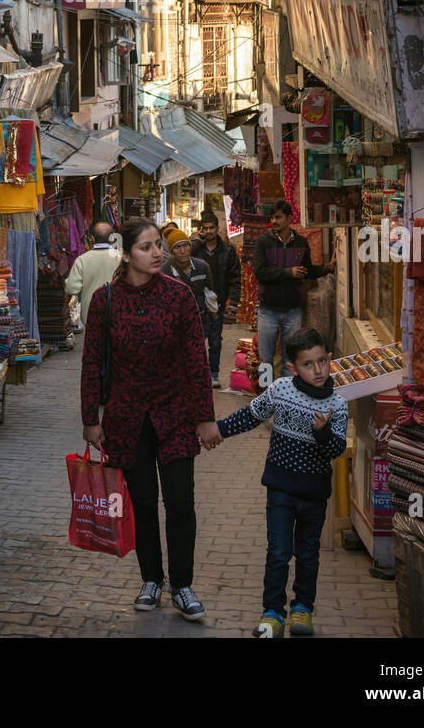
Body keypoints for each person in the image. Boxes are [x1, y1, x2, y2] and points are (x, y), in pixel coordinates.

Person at [80, 219, 222, 621]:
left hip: (175, 414)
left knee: (180, 502)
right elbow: (92, 363)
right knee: (141, 504)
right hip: (126, 419)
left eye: (158, 245)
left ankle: (182, 585)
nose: (157, 252)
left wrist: (205, 418)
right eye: (147, 247)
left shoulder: (179, 296)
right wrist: (92, 418)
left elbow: (197, 360)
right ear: (126, 254)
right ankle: (150, 580)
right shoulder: (105, 300)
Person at [214, 327, 347, 638]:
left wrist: (323, 432)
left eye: (322, 361)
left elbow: (336, 450)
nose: (318, 370)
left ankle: (303, 609)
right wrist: (218, 430)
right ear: (292, 367)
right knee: (278, 552)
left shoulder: (337, 405)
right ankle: (272, 611)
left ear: (330, 359)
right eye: (308, 364)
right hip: (281, 490)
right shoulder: (281, 390)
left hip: (314, 493)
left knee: (308, 553)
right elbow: (251, 415)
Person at [252, 201, 334, 385]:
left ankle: (287, 395)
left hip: (293, 309)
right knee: (265, 359)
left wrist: (328, 268)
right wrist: (289, 273)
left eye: (279, 217)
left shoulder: (301, 243)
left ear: (289, 219)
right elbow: (260, 272)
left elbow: (308, 270)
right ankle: (266, 396)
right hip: (268, 309)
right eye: (272, 217)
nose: (274, 221)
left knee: (290, 359)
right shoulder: (263, 242)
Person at [193, 210, 241, 388]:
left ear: (217, 227)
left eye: (211, 228)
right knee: (196, 341)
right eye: (204, 229)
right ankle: (197, 374)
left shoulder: (227, 251)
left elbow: (235, 278)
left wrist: (233, 303)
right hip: (197, 304)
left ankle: (213, 375)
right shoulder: (196, 249)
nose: (208, 232)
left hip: (217, 304)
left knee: (214, 341)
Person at [64, 221, 119, 327]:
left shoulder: (82, 260)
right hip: (117, 312)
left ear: (92, 238)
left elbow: (72, 288)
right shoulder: (121, 258)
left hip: (91, 314)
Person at [161, 230, 214, 322]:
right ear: (171, 251)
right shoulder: (164, 271)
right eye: (177, 247)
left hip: (199, 318)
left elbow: (209, 291)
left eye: (185, 245)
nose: (182, 251)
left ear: (190, 247)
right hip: (174, 320)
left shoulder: (202, 267)